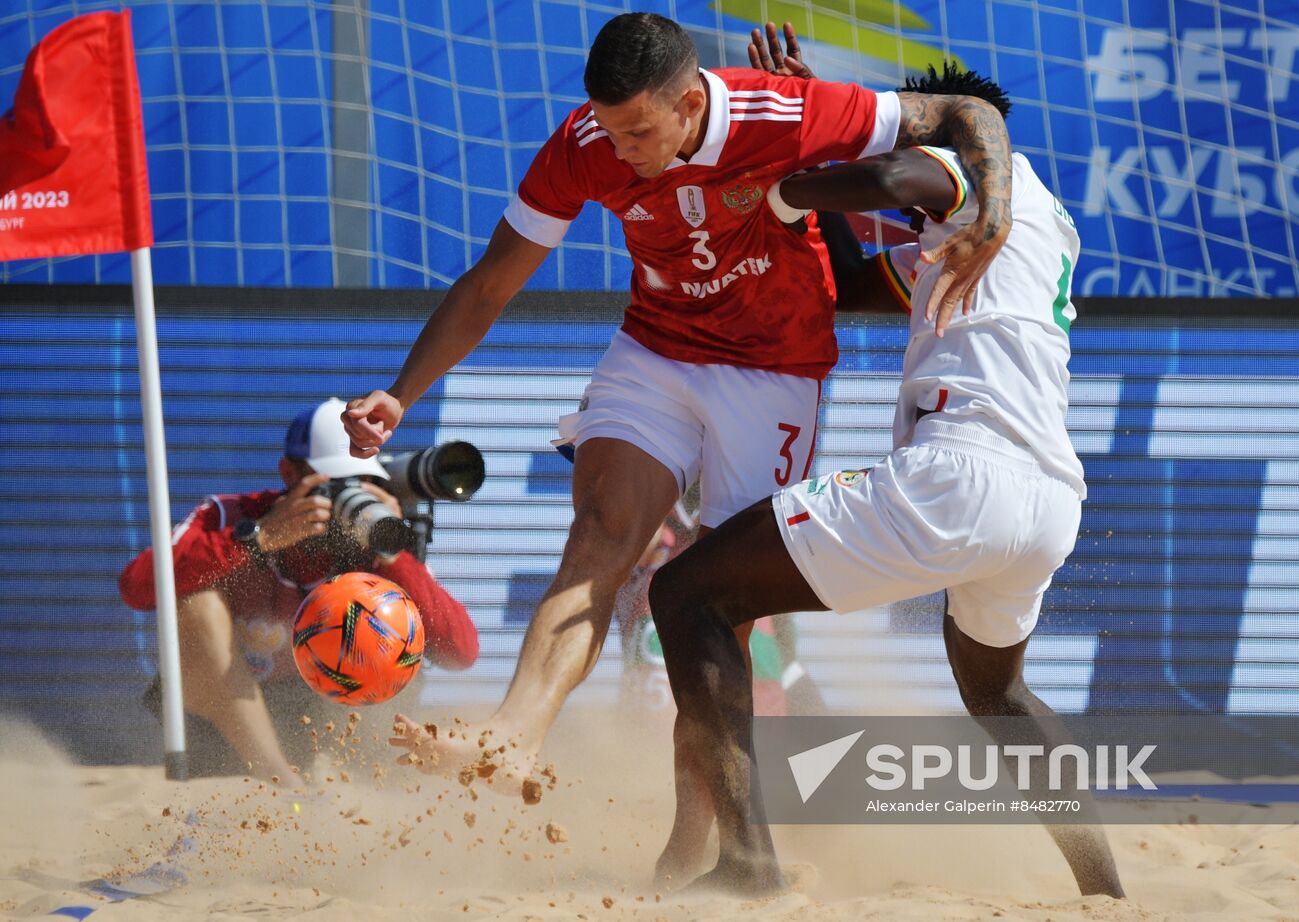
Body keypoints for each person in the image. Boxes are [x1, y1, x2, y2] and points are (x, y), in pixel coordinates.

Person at [359, 11, 1013, 794]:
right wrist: (400, 395)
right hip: (657, 348)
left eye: (638, 132)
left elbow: (967, 114)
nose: (622, 153)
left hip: (773, 370)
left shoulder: (779, 111)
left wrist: (992, 213)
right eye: (610, 130)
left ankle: (702, 826)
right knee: (600, 534)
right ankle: (513, 737)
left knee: (719, 606)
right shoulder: (585, 146)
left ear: (691, 105)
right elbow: (489, 285)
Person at [645, 59, 1127, 898]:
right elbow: (862, 285)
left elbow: (895, 170)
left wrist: (792, 189)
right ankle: (1105, 890)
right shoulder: (1039, 220)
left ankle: (747, 863)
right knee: (1001, 692)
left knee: (688, 594)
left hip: (960, 476)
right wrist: (822, 131)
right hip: (1048, 499)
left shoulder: (960, 164)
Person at [119, 398, 479, 783]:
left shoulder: (376, 537)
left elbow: (460, 653)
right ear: (289, 473)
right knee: (194, 599)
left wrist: (392, 552)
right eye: (334, 483)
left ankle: (347, 780)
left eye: (364, 481)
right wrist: (258, 540)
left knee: (381, 607)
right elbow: (137, 587)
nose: (350, 496)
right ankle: (279, 781)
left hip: (338, 722)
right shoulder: (234, 516)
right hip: (232, 724)